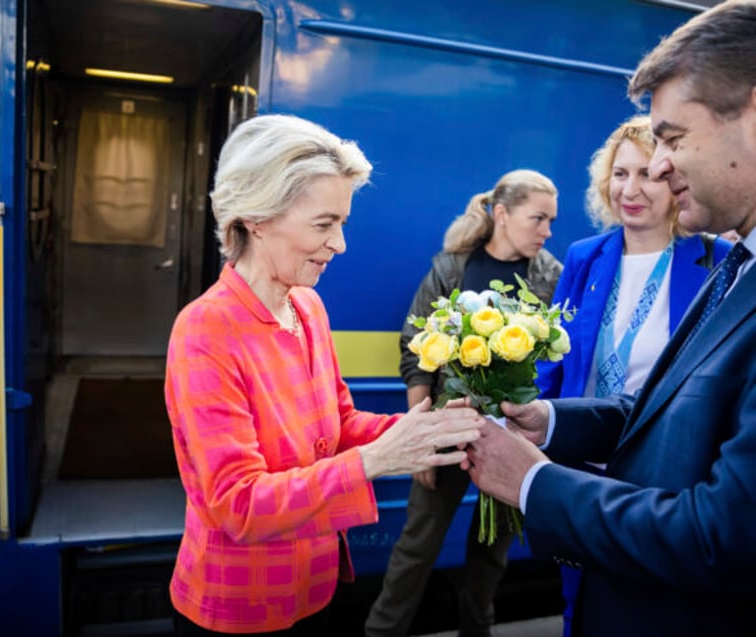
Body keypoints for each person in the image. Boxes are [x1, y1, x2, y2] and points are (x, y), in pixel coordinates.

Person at [464, 2, 756, 635]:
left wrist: (537, 485)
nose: (654, 168)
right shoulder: (739, 270)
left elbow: (724, 535)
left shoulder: (717, 260)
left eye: (673, 139)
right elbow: (653, 408)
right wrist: (546, 421)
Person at [164, 114, 483, 636]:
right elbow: (237, 505)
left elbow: (336, 423)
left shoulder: (307, 306)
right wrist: (377, 460)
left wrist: (427, 430)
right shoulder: (205, 330)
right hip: (241, 607)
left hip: (315, 585)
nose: (340, 245)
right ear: (257, 217)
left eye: (342, 224)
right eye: (323, 224)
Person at [534, 114, 731, 636]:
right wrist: (533, 425)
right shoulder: (584, 256)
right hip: (578, 460)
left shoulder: (716, 259)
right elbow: (553, 356)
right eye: (620, 174)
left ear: (673, 179)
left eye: (646, 174)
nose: (631, 189)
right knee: (576, 602)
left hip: (657, 474)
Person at [365, 170, 562, 637]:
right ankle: (380, 632)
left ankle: (479, 629)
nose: (547, 231)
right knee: (417, 545)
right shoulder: (452, 267)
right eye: (538, 218)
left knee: (492, 550)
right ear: (502, 214)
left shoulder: (551, 275)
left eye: (551, 220)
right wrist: (420, 436)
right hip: (447, 430)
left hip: (512, 436)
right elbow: (417, 349)